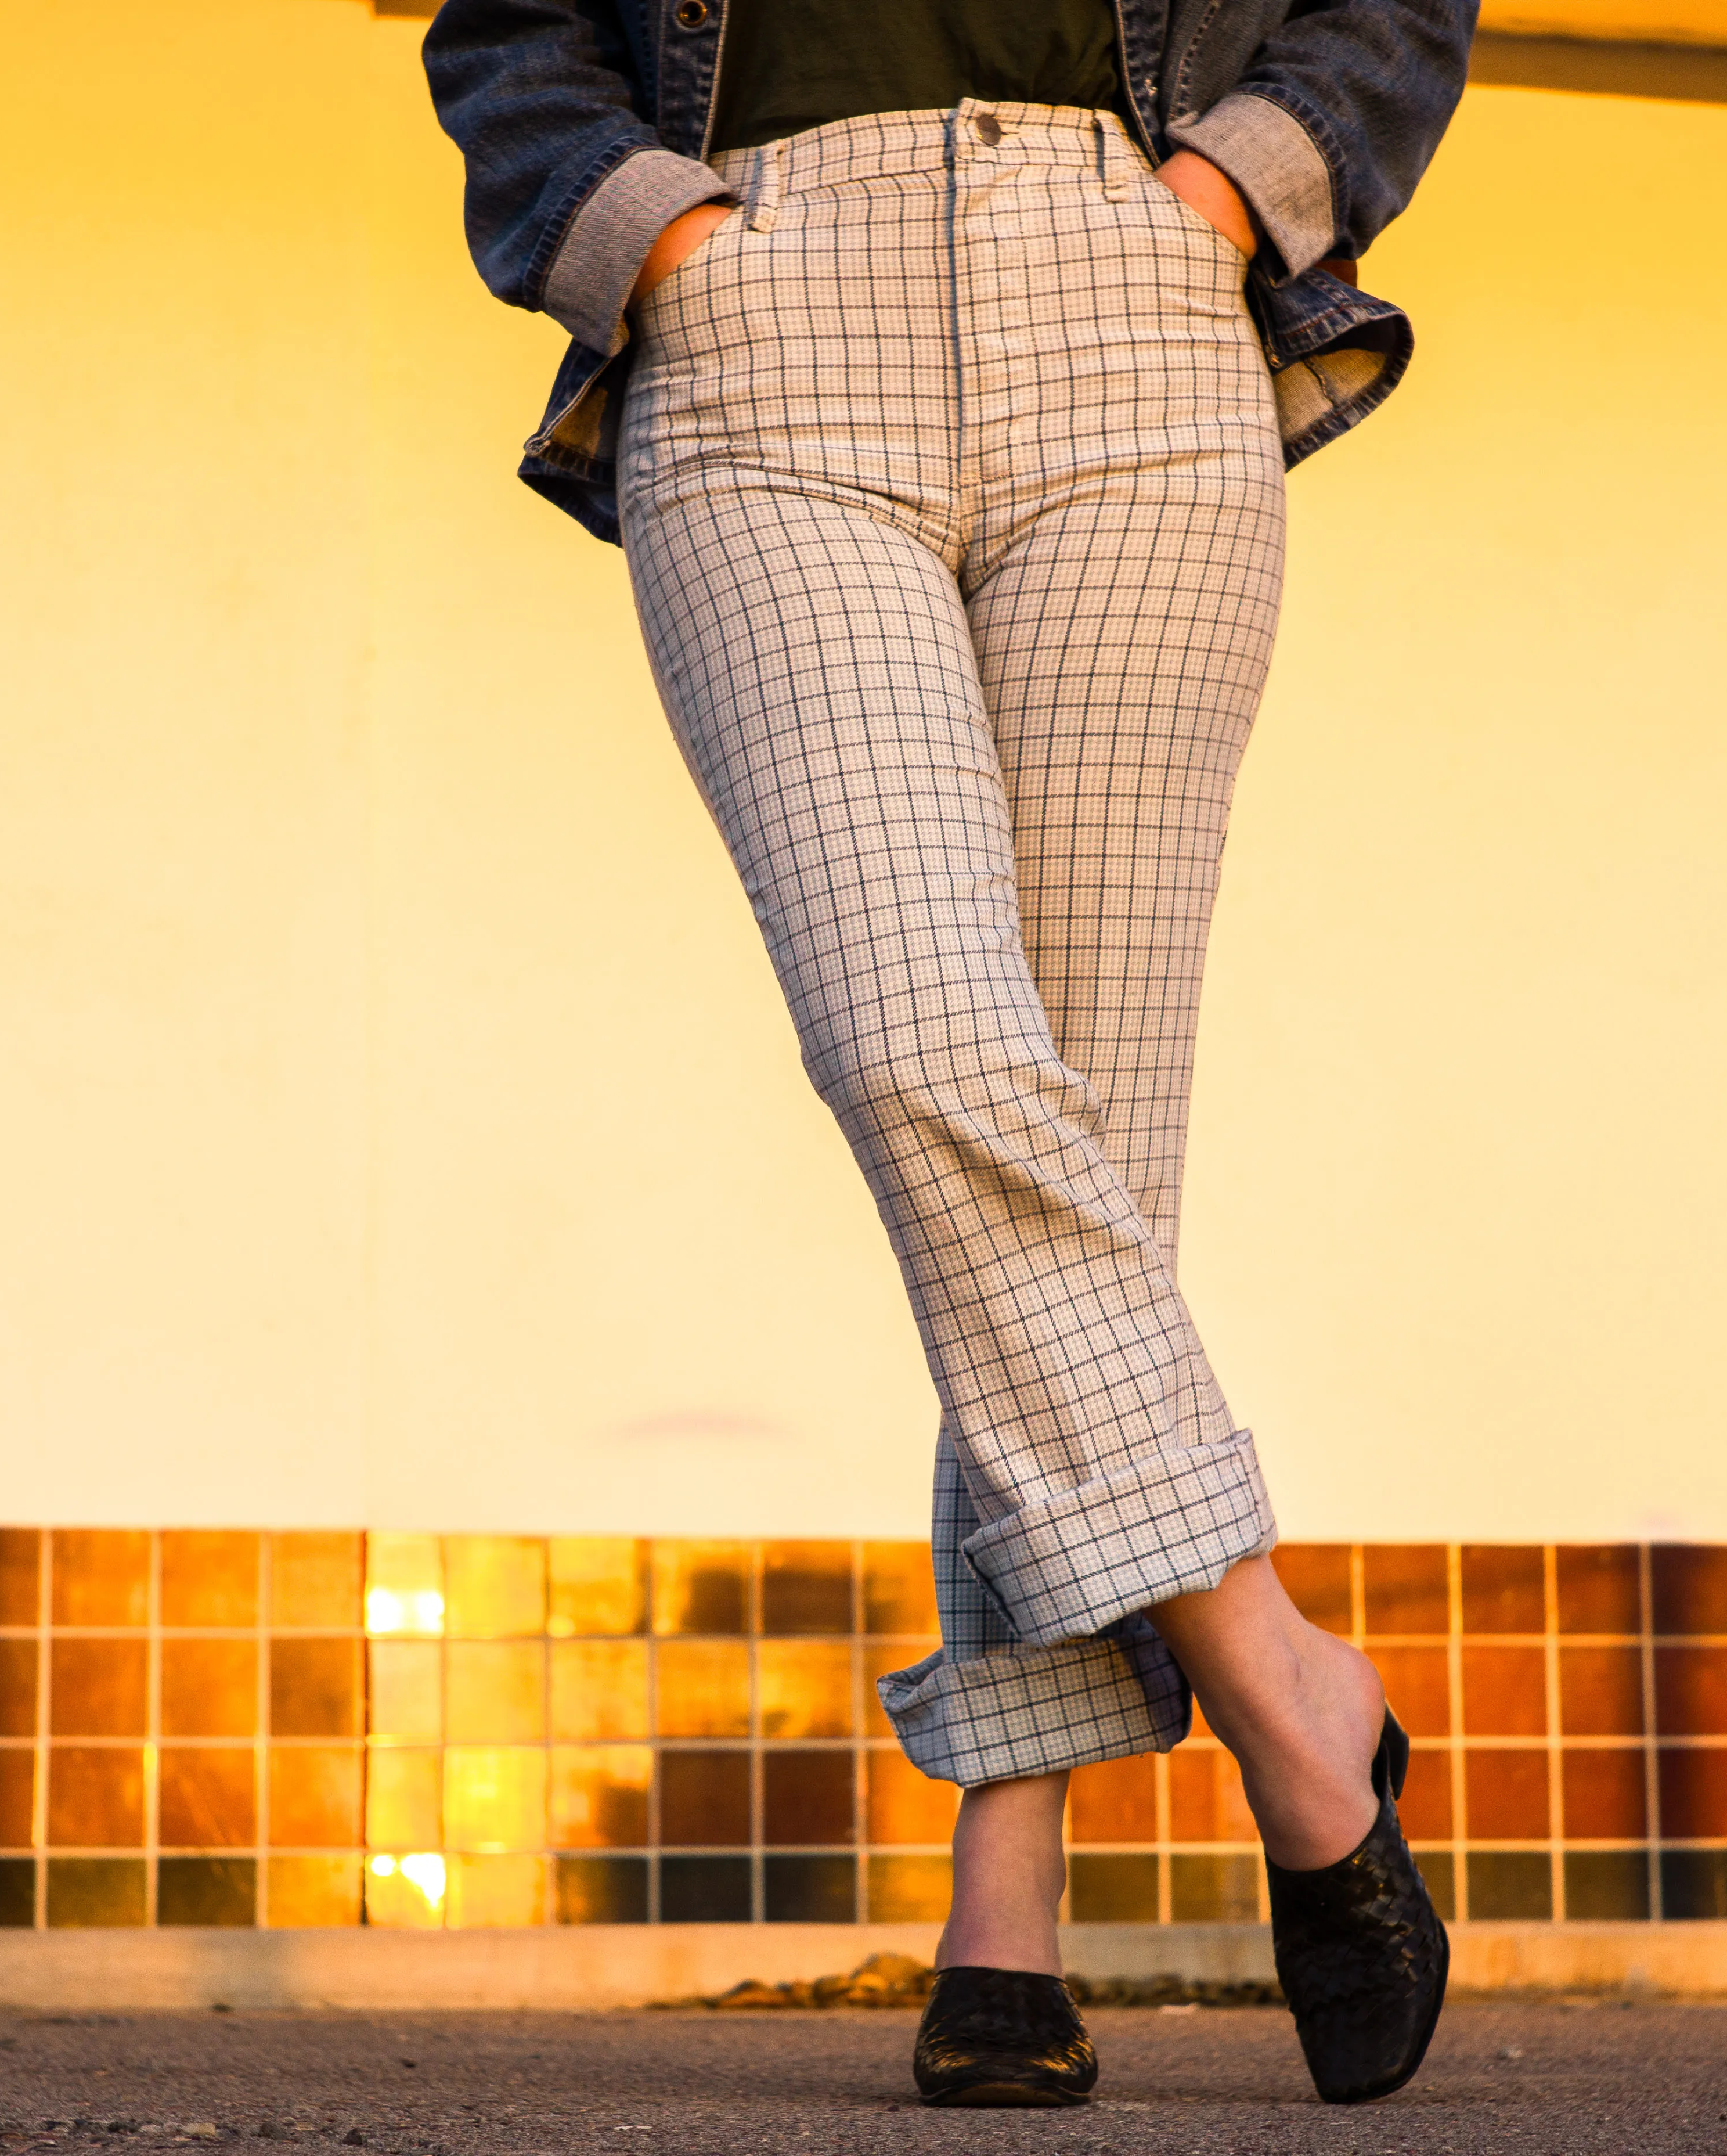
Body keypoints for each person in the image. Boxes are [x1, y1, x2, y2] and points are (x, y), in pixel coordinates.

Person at [422, 0, 1475, 2109]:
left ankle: (1009, 1894)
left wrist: (1226, 193)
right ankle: (1287, 1686)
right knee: (925, 1046)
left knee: (1087, 1134)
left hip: (1139, 290)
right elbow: (513, 24)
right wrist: (655, 236)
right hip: (762, 301)